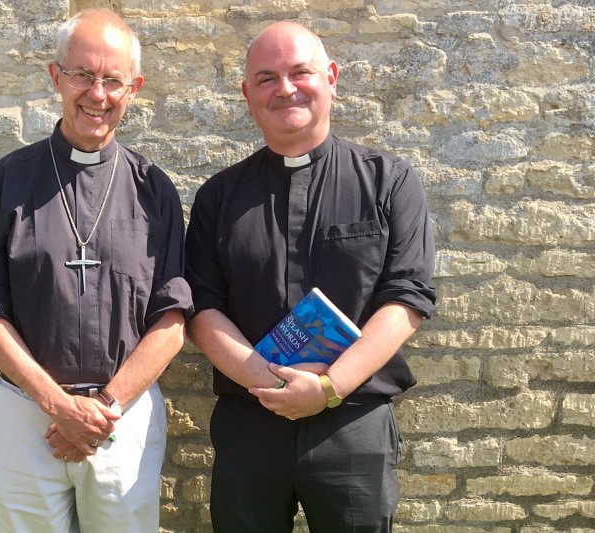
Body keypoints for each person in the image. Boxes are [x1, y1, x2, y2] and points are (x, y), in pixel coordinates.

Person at [185, 21, 436, 533]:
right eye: (266, 78)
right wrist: (271, 382)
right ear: (248, 95)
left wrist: (328, 388)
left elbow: (407, 299)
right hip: (250, 424)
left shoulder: (390, 181)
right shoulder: (217, 197)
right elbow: (202, 309)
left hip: (353, 422)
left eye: (300, 72)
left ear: (332, 78)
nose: (285, 88)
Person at [0, 9, 192, 532]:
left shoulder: (156, 191)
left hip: (122, 416)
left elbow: (172, 321)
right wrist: (56, 404)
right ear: (55, 76)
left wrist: (102, 408)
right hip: (27, 414)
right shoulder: (7, 182)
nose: (97, 93)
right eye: (83, 74)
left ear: (134, 88)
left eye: (113, 80)